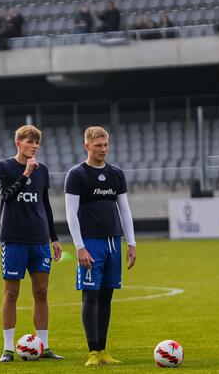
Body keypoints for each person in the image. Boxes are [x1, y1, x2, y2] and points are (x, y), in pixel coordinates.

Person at [64, 126, 136, 366]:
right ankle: (92, 351)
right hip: (90, 243)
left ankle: (103, 350)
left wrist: (131, 243)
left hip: (113, 242)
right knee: (90, 295)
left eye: (105, 145)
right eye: (98, 146)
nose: (103, 149)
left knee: (106, 296)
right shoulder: (77, 174)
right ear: (87, 146)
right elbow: (71, 213)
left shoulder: (116, 174)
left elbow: (124, 209)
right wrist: (79, 246)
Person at [0, 125, 63, 362]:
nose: (34, 146)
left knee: (41, 292)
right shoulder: (3, 167)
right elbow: (6, 195)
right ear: (18, 143)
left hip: (39, 239)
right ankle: (8, 348)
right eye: (29, 142)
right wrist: (25, 174)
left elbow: (45, 205)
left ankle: (43, 345)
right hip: (14, 238)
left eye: (36, 143)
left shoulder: (42, 170)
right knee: (11, 293)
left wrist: (53, 238)